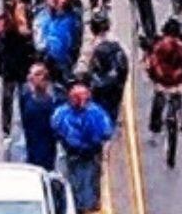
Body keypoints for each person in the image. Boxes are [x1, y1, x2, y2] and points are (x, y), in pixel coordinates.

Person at [51, 81, 114, 214]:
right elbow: (56, 129)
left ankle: (86, 206)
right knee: (68, 185)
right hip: (70, 155)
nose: (78, 101)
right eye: (75, 97)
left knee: (87, 188)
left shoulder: (96, 114)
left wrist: (101, 154)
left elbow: (106, 133)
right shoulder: (62, 113)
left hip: (89, 157)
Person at [0, 0, 35, 137]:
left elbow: (26, 33)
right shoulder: (5, 15)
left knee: (23, 94)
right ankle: (7, 128)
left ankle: (23, 124)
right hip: (11, 61)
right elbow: (0, 38)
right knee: (9, 95)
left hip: (21, 60)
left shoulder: (23, 10)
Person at [146, 18, 182, 137]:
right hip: (177, 82)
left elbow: (153, 64)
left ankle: (155, 128)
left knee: (158, 100)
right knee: (179, 100)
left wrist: (155, 78)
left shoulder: (160, 45)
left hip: (162, 81)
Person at [17, 63, 64, 170]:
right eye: (30, 74)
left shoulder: (56, 97)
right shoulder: (25, 94)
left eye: (37, 74)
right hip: (30, 143)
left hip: (49, 145)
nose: (31, 77)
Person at [34, 0, 83, 85]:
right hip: (48, 64)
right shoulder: (42, 16)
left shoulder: (73, 16)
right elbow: (39, 43)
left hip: (66, 64)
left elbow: (78, 42)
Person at [85, 11, 129, 122]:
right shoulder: (116, 42)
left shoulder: (97, 47)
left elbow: (91, 68)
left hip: (104, 87)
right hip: (116, 85)